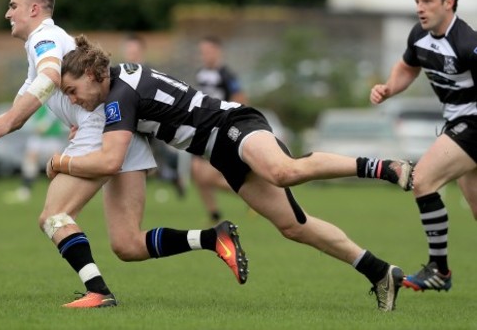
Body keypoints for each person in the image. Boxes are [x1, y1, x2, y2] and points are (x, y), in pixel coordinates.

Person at [0, 0, 248, 308]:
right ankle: (213, 238)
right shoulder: (41, 45)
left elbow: (50, 77)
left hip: (99, 128)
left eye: (13, 6)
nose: (8, 14)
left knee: (54, 216)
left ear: (34, 9)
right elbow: (20, 110)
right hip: (120, 127)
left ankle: (98, 291)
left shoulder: (44, 37)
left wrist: (54, 151)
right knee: (128, 245)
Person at [51, 34, 416, 312]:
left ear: (92, 74)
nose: (71, 99)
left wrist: (59, 163)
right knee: (294, 227)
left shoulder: (118, 96)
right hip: (220, 151)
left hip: (231, 125)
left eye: (72, 90)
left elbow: (111, 161)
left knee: (282, 171)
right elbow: (118, 122)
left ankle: (384, 167)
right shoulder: (116, 86)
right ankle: (380, 272)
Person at [369, 0, 476, 293]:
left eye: (427, 0)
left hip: (472, 124)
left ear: (449, 3)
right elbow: (407, 67)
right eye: (417, 1)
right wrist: (389, 88)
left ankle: (439, 271)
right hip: (457, 123)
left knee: (424, 179)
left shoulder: (468, 44)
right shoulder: (419, 35)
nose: (420, 7)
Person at [192, 36, 249, 223]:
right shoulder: (200, 74)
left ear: (218, 51)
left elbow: (240, 98)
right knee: (196, 174)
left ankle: (252, 196)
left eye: (208, 51)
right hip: (202, 130)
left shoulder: (226, 75)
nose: (205, 55)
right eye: (202, 52)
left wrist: (230, 121)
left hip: (220, 130)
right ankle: (214, 213)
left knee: (208, 176)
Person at [122, 33, 185, 197]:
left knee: (155, 165)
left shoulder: (150, 72)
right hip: (130, 126)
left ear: (141, 51)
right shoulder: (121, 72)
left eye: (134, 50)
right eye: (128, 50)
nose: (131, 53)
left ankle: (172, 176)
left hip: (150, 125)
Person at [3, 105, 68, 204]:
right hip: (38, 137)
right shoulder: (39, 97)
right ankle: (25, 192)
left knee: (55, 165)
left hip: (53, 137)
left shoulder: (57, 98)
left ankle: (60, 194)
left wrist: (45, 124)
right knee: (30, 161)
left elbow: (57, 114)